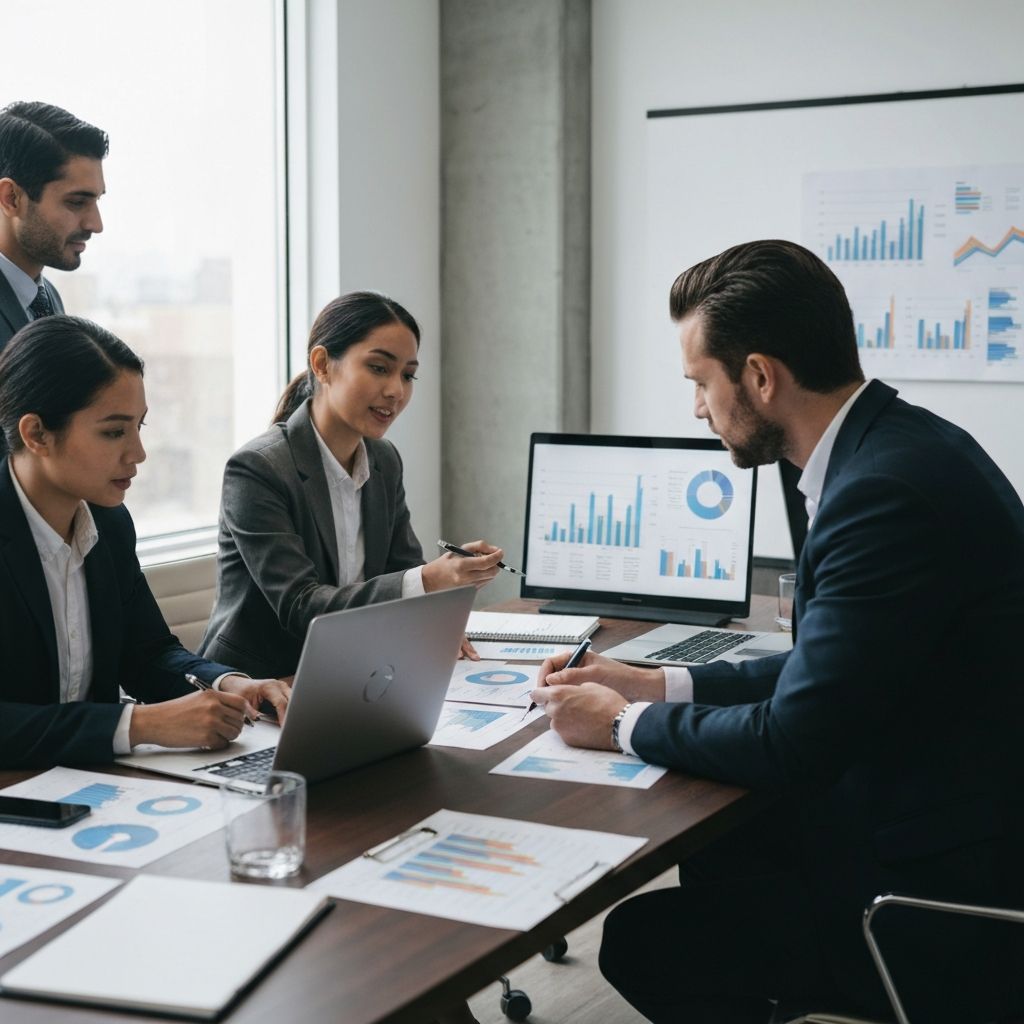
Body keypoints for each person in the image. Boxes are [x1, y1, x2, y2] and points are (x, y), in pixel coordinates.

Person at [532, 240, 1024, 1023]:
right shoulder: (897, 446)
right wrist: (658, 682)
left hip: (940, 900)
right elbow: (831, 667)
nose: (698, 408)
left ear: (760, 377)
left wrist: (622, 723)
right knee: (720, 846)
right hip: (945, 804)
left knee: (641, 940)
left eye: (701, 383)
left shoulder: (880, 496)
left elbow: (796, 739)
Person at [0, 315, 292, 769]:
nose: (138, 453)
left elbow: (148, 652)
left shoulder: (110, 524)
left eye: (140, 427)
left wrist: (228, 683)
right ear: (37, 433)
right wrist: (140, 725)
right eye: (114, 431)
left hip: (87, 786)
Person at [201, 291, 502, 679]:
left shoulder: (384, 460)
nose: (397, 390)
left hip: (355, 674)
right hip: (260, 688)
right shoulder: (258, 469)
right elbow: (300, 606)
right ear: (323, 364)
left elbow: (401, 571)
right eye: (379, 368)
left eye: (408, 375)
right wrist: (430, 579)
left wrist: (435, 614)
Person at [0, 102, 107, 348]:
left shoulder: (45, 298)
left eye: (97, 200)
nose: (96, 224)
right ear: (11, 198)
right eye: (77, 202)